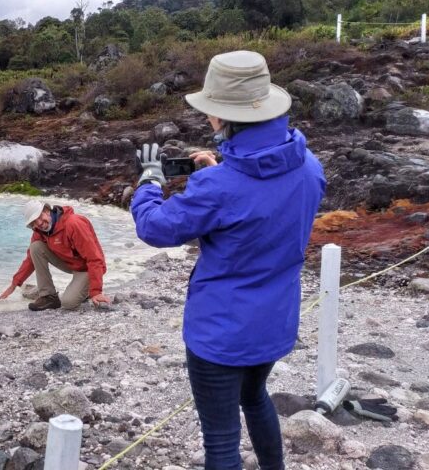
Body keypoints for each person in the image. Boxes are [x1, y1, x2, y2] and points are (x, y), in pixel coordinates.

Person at [131, 50, 325, 470]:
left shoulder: (220, 187)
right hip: (275, 321)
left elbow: (155, 228)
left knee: (220, 443)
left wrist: (149, 181)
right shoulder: (309, 167)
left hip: (219, 333)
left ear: (223, 117)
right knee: (255, 397)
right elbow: (259, 205)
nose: (208, 119)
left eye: (211, 112)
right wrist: (217, 169)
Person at [0, 200, 110, 311]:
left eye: (39, 217)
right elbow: (30, 259)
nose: (39, 223)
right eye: (33, 223)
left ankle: (85, 290)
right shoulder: (40, 231)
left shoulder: (74, 223)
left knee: (68, 303)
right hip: (71, 264)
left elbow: (95, 258)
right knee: (35, 247)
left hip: (87, 268)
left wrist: (96, 292)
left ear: (47, 210)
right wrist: (15, 283)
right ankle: (48, 297)